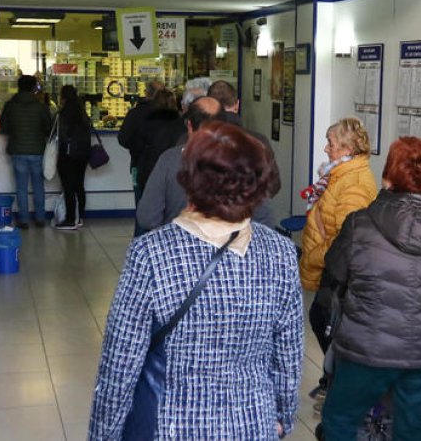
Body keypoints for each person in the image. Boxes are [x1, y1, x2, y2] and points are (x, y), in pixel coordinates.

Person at [89, 122, 302, 439]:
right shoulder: (281, 253)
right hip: (254, 423)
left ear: (189, 180)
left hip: (176, 424)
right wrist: (283, 414)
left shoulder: (152, 253)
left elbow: (120, 365)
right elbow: (288, 354)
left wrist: (104, 434)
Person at [319, 137, 421, 440]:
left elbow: (336, 269)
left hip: (368, 348)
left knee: (340, 420)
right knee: (413, 432)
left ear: (388, 176)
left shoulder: (360, 222)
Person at [300, 118, 378, 406]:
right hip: (329, 266)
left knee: (326, 322)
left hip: (337, 270)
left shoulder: (354, 183)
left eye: (331, 143)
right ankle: (331, 381)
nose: (326, 148)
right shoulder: (338, 175)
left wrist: (313, 254)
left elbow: (347, 238)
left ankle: (340, 386)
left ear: (346, 147)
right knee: (326, 322)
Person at [136, 97, 279, 234]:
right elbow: (264, 218)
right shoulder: (244, 158)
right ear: (225, 125)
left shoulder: (170, 160)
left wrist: (169, 237)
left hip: (179, 248)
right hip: (235, 249)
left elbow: (148, 218)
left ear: (189, 125)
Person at [1, 75, 53, 229]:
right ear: (33, 88)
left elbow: (4, 126)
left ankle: (23, 220)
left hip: (17, 150)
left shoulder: (10, 105)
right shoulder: (41, 107)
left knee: (21, 187)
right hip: (37, 150)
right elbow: (48, 129)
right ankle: (40, 218)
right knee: (38, 186)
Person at [118, 79, 165, 204]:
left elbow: (123, 139)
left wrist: (137, 148)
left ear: (146, 93)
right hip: (165, 165)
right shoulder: (171, 113)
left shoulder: (135, 113)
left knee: (141, 203)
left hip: (139, 164)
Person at [55, 85, 93, 231]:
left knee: (68, 187)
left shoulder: (63, 114)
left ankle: (70, 219)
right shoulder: (82, 112)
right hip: (83, 154)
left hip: (68, 154)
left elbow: (62, 136)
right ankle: (80, 217)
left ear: (63, 97)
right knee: (79, 185)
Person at [133, 89, 183, 199]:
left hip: (148, 170)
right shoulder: (181, 125)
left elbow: (136, 146)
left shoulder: (146, 123)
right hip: (174, 171)